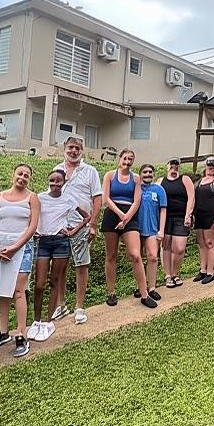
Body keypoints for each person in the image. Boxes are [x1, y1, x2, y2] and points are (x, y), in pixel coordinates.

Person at [0, 163, 40, 358]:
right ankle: (3, 331)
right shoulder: (0, 197)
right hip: (0, 247)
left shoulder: (32, 198)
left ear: (29, 179)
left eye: (26, 175)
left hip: (22, 248)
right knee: (2, 290)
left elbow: (32, 226)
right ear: (13, 175)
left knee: (18, 290)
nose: (22, 177)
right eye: (20, 173)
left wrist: (15, 247)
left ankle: (21, 333)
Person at [31, 168, 89, 341]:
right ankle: (36, 320)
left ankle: (49, 322)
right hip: (43, 242)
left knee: (54, 281)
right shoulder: (39, 197)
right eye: (52, 181)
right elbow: (30, 215)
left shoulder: (68, 199)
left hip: (61, 243)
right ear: (48, 181)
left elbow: (86, 217)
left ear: (64, 183)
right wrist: (33, 230)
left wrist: (74, 230)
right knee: (39, 284)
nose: (55, 184)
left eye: (58, 181)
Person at [54, 135, 102, 325]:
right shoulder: (57, 170)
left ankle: (80, 307)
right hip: (59, 227)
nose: (74, 151)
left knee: (81, 265)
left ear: (82, 151)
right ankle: (61, 304)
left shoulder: (90, 171)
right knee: (60, 266)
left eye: (77, 148)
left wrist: (93, 224)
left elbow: (97, 198)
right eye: (71, 147)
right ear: (64, 147)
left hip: (81, 226)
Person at [101, 149, 154, 308]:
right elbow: (106, 198)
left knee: (136, 255)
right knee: (111, 256)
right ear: (120, 158)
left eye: (131, 159)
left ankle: (144, 294)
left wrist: (125, 218)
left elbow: (136, 201)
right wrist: (119, 215)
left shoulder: (136, 178)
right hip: (112, 215)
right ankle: (111, 292)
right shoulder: (110, 175)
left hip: (130, 217)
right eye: (125, 158)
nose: (127, 161)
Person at [159, 159, 195, 288]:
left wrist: (188, 215)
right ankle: (168, 275)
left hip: (181, 218)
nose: (174, 169)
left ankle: (175, 273)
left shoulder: (185, 179)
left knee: (179, 248)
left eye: (176, 167)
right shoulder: (160, 181)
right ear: (167, 167)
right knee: (166, 247)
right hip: (165, 218)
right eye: (171, 167)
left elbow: (191, 198)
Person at [135, 164, 167, 303]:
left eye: (150, 172)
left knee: (153, 257)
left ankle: (152, 287)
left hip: (153, 229)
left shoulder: (159, 190)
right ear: (140, 174)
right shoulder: (136, 189)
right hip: (136, 229)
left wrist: (161, 230)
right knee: (138, 259)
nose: (147, 174)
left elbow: (163, 210)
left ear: (153, 174)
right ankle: (140, 287)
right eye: (144, 172)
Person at [192, 156, 214, 283]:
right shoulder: (199, 181)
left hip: (212, 215)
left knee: (210, 242)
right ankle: (203, 270)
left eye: (213, 166)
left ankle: (211, 271)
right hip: (199, 215)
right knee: (201, 243)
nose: (211, 168)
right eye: (209, 165)